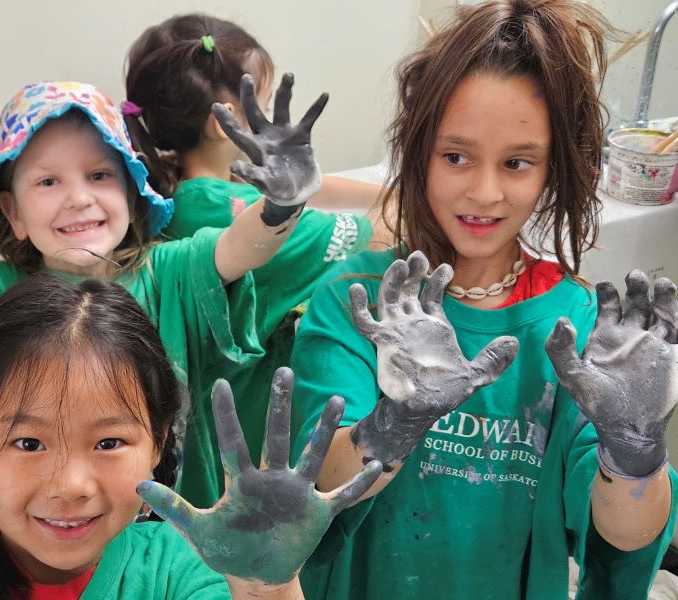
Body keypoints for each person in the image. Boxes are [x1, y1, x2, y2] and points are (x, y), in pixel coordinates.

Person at [288, 1, 678, 598]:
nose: (485, 191)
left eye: (518, 163)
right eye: (456, 157)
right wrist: (394, 423)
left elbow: (620, 536)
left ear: (554, 170)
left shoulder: (573, 328)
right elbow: (315, 490)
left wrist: (634, 451)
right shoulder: (356, 303)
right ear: (418, 150)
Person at [0, 37, 324, 434]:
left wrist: (281, 203)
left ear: (133, 197)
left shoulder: (170, 272)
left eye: (98, 175)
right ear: (12, 212)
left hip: (168, 519)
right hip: (41, 520)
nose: (78, 198)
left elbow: (239, 247)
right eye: (48, 182)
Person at [0, 275, 381, 599]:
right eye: (29, 443)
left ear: (159, 440)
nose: (71, 484)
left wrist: (265, 590)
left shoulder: (182, 572)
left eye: (108, 443)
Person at [123, 13, 393, 508]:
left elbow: (315, 187)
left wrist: (389, 189)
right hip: (248, 439)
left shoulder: (181, 192)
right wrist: (415, 199)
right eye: (263, 107)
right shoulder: (230, 215)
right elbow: (377, 233)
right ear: (221, 121)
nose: (269, 116)